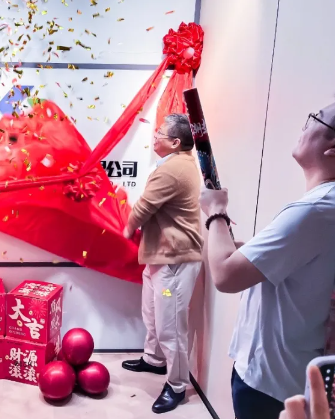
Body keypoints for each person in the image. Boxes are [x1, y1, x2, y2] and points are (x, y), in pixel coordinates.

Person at [199, 88, 335, 419]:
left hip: (271, 386)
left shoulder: (313, 210)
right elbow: (293, 264)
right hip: (304, 381)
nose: (304, 126)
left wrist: (215, 211)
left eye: (314, 119)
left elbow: (226, 276)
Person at [121, 113, 204, 414]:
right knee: (152, 314)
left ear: (175, 142)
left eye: (160, 133)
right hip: (159, 260)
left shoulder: (173, 169)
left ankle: (177, 385)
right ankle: (154, 359)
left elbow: (144, 207)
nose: (154, 136)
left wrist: (126, 229)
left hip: (173, 265)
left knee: (170, 326)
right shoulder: (177, 164)